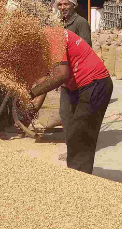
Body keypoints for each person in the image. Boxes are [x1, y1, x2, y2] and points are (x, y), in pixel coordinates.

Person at [29, 27, 113, 174]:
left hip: (94, 83)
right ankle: (75, 172)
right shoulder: (41, 43)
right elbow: (45, 79)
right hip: (73, 88)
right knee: (70, 126)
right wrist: (34, 106)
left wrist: (31, 93)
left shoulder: (53, 35)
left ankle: (78, 181)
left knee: (80, 135)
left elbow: (62, 74)